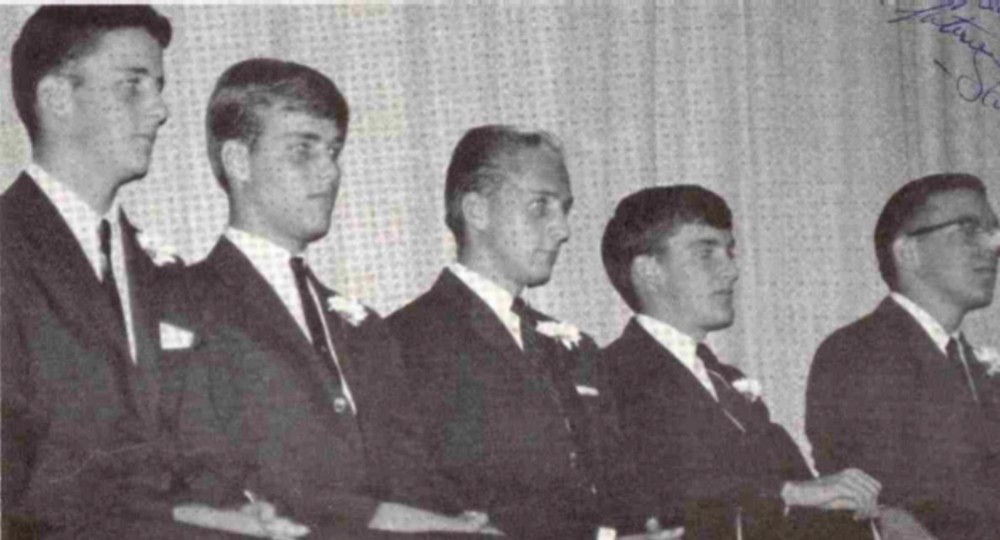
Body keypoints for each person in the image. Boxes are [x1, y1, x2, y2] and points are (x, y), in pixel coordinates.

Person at [170, 58, 490, 539]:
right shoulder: (185, 304)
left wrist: (455, 518)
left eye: (333, 151)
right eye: (303, 149)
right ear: (238, 161)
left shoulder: (361, 326)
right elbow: (214, 478)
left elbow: (409, 473)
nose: (329, 172)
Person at [0, 6, 211, 537]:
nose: (160, 110)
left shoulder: (165, 272)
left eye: (158, 87)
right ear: (56, 98)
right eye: (132, 85)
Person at [387, 125, 631, 540]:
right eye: (540, 206)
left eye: (564, 209)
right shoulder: (406, 342)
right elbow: (420, 505)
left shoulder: (575, 349)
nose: (563, 229)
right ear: (477, 210)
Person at [600, 185, 882, 539]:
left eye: (729, 251)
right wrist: (787, 494)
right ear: (649, 271)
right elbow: (664, 501)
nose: (731, 270)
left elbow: (804, 500)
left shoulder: (727, 380)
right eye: (706, 253)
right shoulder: (611, 378)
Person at [806, 173, 1000, 540]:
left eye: (992, 231)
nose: (993, 245)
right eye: (968, 230)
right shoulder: (857, 353)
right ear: (908, 252)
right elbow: (883, 503)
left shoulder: (974, 364)